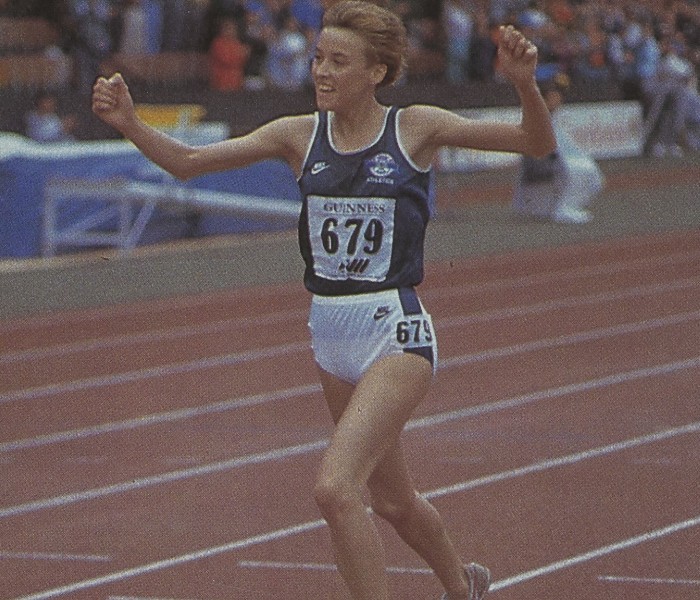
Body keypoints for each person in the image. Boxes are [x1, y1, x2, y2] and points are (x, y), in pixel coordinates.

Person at [92, 2, 555, 599]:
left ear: (378, 74)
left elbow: (535, 143)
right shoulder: (297, 135)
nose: (322, 72)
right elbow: (187, 162)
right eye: (318, 59)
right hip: (330, 331)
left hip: (395, 328)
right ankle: (464, 585)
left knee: (336, 490)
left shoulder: (414, 127)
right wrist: (130, 122)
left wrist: (524, 85)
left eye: (339, 62)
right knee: (391, 499)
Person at [513, 76, 603, 224]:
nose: (557, 100)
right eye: (553, 97)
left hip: (550, 158)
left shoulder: (553, 117)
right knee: (578, 169)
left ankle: (569, 206)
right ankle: (564, 209)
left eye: (558, 97)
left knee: (590, 171)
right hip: (538, 162)